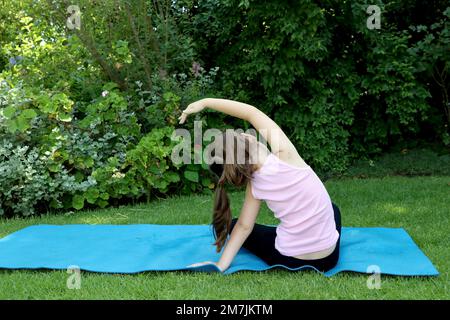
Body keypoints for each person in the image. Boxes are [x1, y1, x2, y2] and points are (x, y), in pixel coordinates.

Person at [180, 98, 341, 273]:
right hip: (328, 259)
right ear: (247, 139)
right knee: (334, 210)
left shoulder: (255, 185)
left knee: (234, 225)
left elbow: (244, 226)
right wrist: (206, 102)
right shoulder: (285, 154)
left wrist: (221, 265)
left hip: (291, 261)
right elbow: (251, 113)